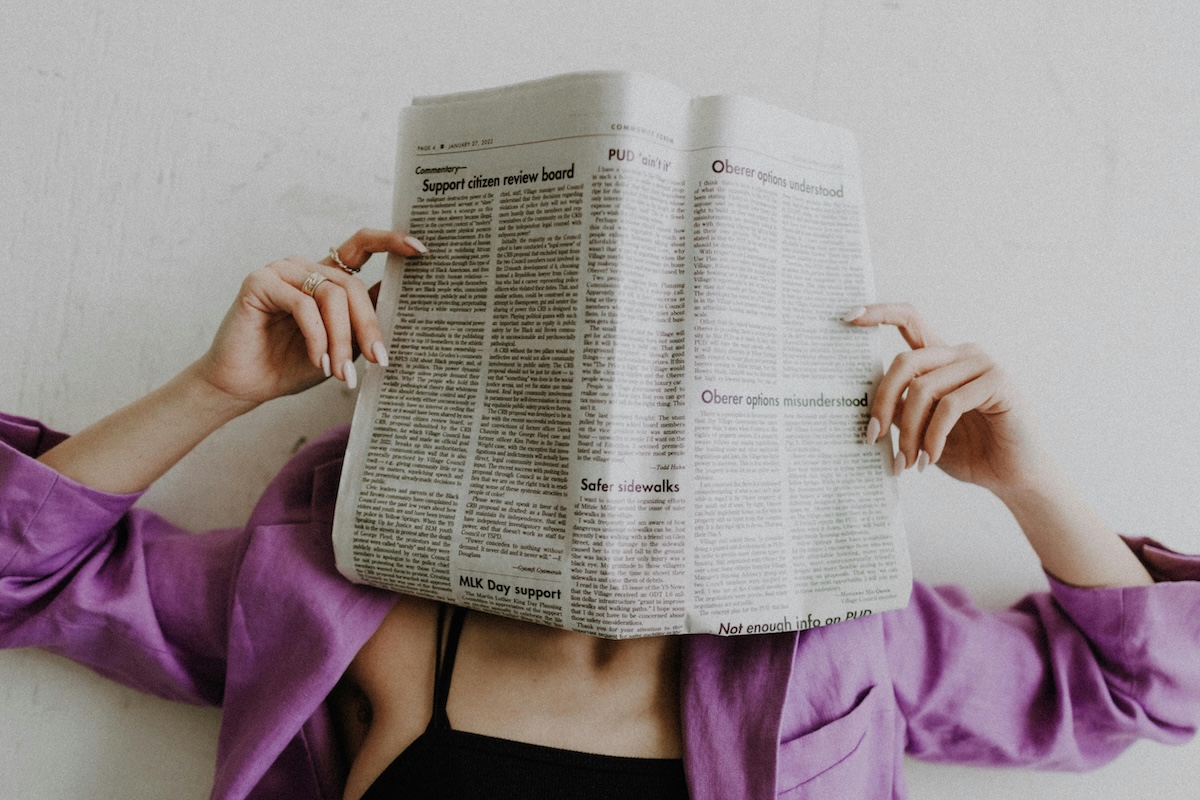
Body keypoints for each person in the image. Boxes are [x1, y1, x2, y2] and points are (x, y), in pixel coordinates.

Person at [3, 228, 1198, 800]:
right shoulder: (333, 596)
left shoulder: (842, 638)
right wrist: (217, 389)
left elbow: (1156, 688)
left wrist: (1027, 483)